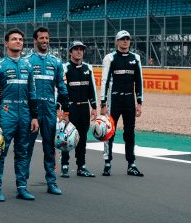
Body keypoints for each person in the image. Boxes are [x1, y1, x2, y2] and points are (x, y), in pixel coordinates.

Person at [0, 29, 40, 201]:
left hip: (24, 113)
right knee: (0, 151)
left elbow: (32, 93)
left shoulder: (27, 65)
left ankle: (22, 188)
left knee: (23, 151)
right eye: (14, 39)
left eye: (21, 39)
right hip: (6, 114)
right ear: (6, 43)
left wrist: (34, 116)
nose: (18, 42)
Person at [26, 27, 68, 196]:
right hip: (31, 112)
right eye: (41, 38)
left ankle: (51, 182)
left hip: (50, 110)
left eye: (47, 38)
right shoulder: (27, 61)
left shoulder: (56, 62)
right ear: (35, 40)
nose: (45, 40)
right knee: (25, 148)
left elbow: (63, 88)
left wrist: (66, 111)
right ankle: (22, 183)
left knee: (50, 148)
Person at [100, 30, 145, 177]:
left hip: (129, 101)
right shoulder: (110, 58)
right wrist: (103, 103)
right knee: (109, 132)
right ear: (117, 41)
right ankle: (107, 163)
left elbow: (139, 82)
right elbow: (104, 81)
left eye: (127, 39)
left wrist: (139, 102)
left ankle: (131, 164)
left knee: (130, 132)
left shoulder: (136, 58)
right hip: (114, 100)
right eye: (122, 39)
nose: (125, 41)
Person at [60, 41, 97, 178]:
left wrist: (94, 107)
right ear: (70, 52)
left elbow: (91, 89)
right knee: (66, 137)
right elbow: (61, 90)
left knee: (82, 137)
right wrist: (63, 109)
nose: (79, 52)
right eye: (76, 49)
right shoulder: (65, 68)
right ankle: (65, 165)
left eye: (81, 49)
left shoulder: (88, 68)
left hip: (84, 109)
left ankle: (81, 166)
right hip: (70, 108)